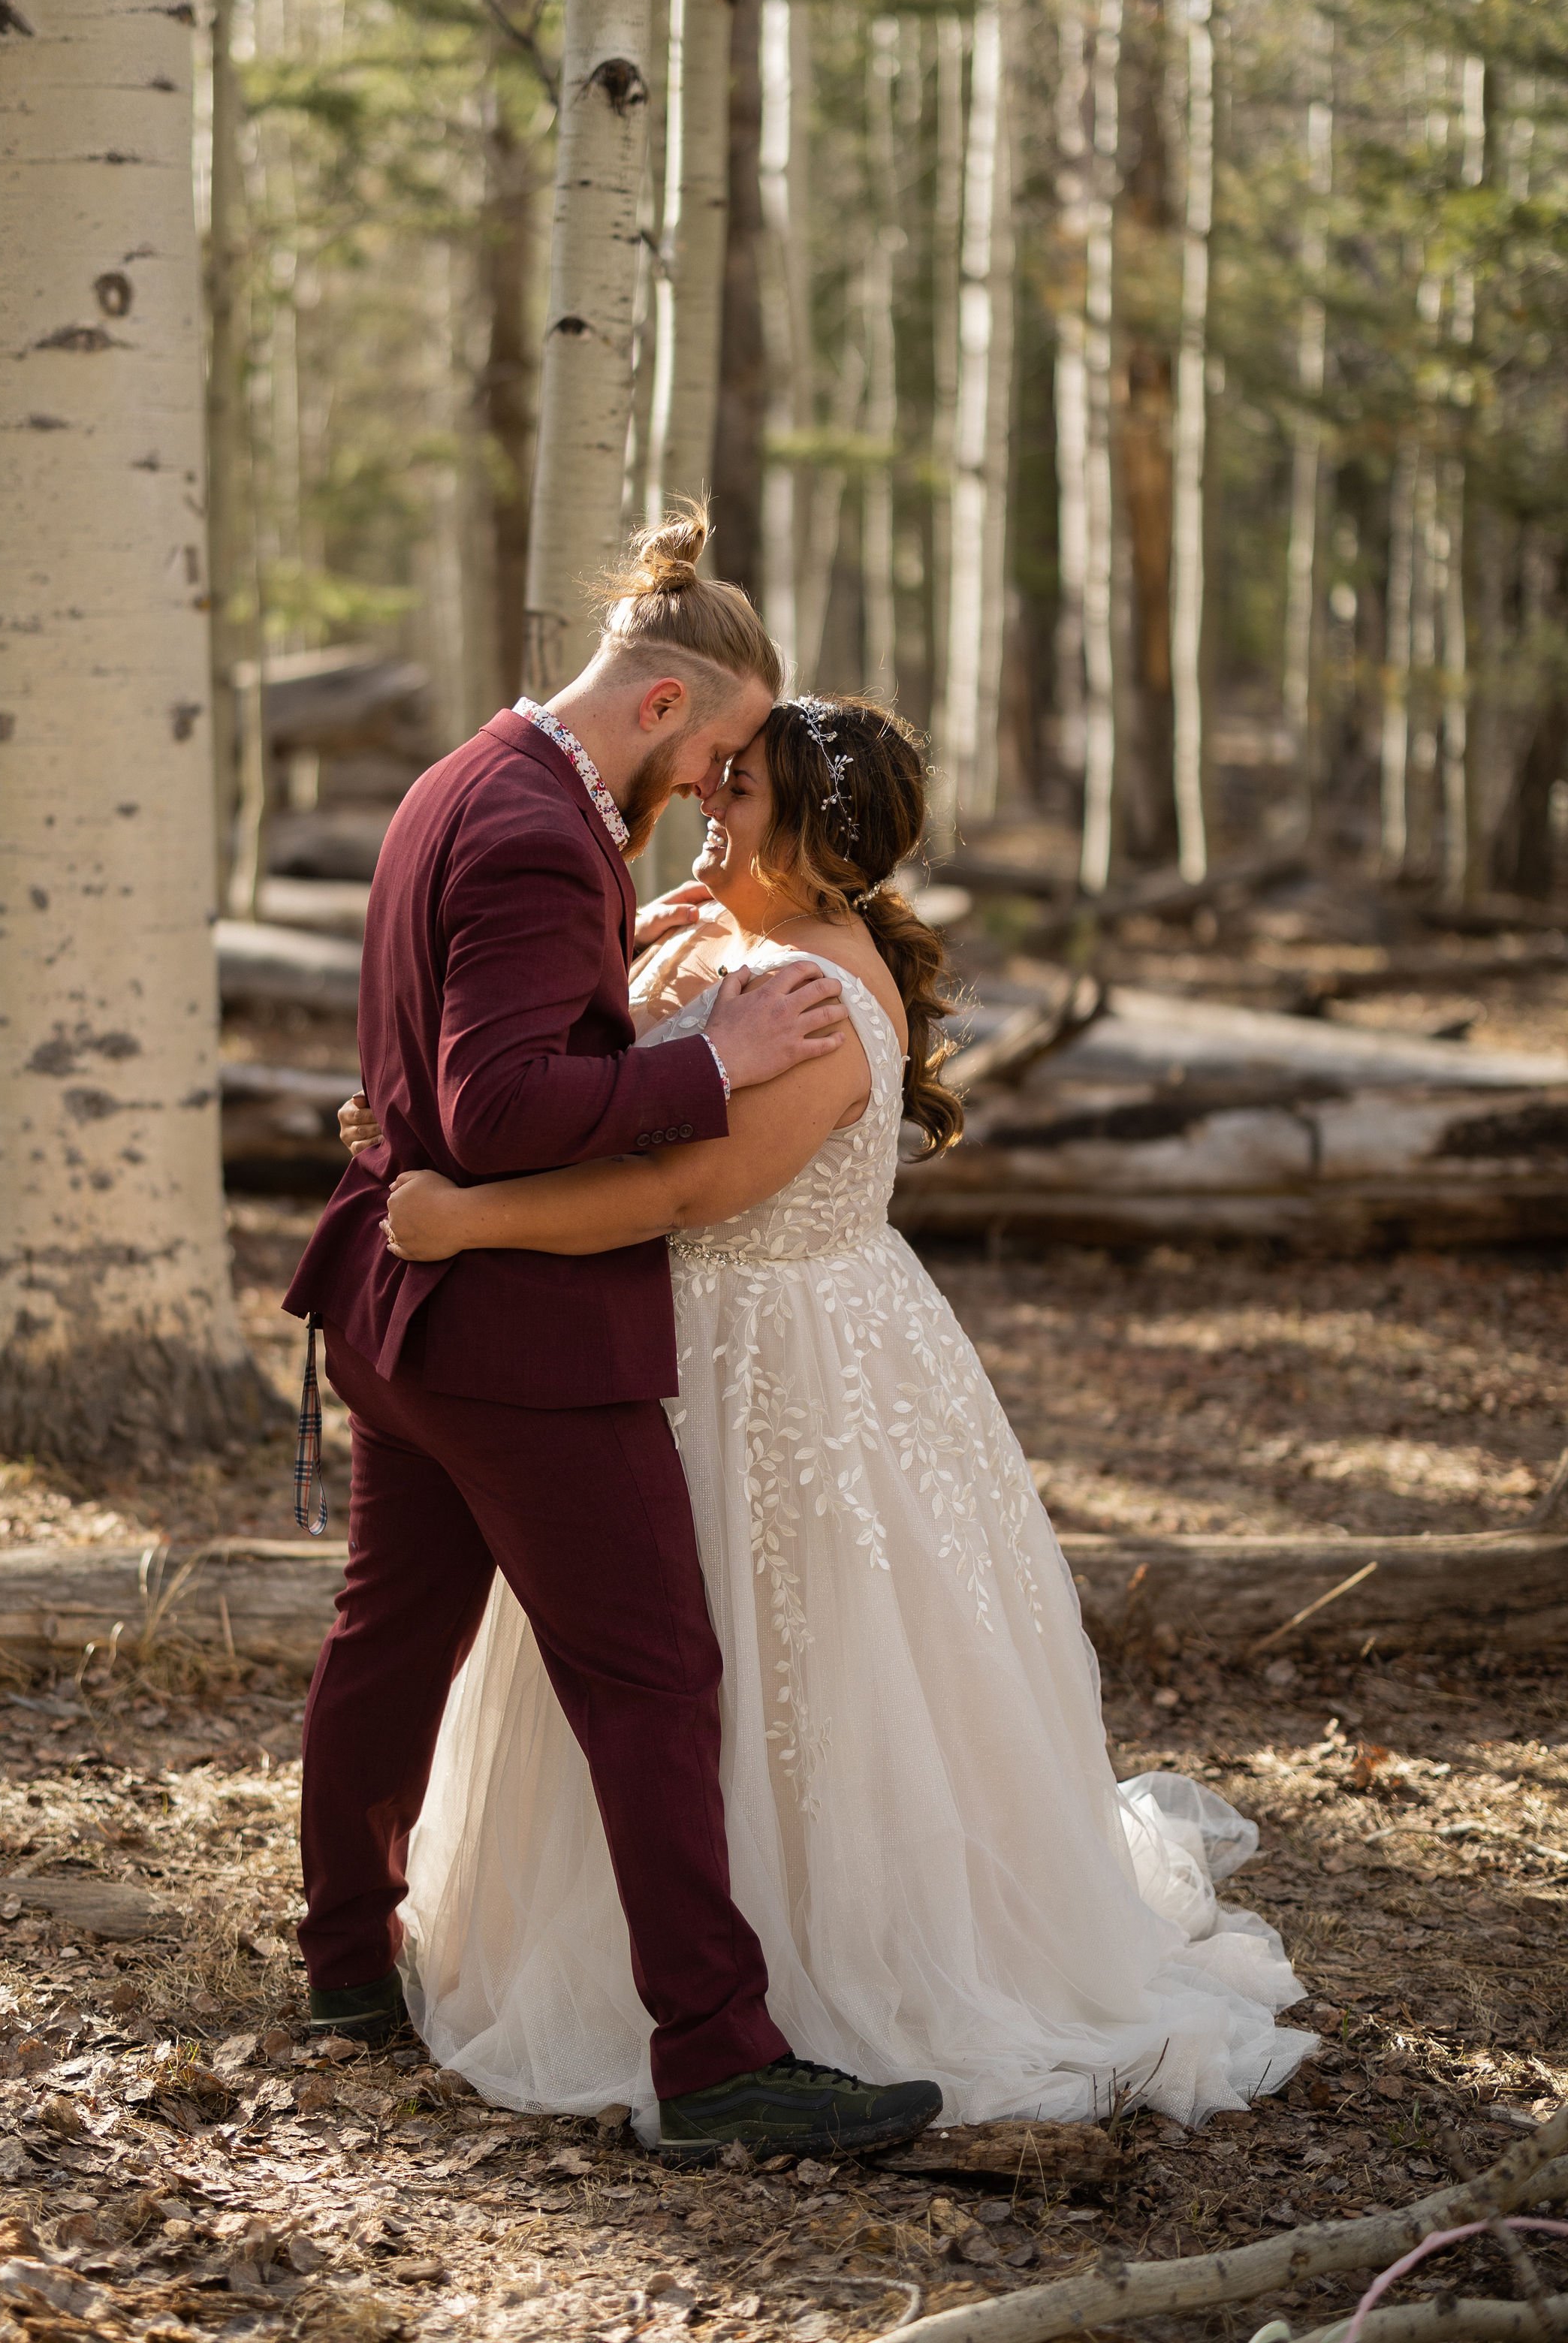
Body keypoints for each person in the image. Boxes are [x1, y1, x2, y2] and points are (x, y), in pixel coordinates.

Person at [371, 694, 1319, 2139]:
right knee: (651, 1659)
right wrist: (657, 939)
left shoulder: (817, 995)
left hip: (783, 1353)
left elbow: (686, 1192)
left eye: (736, 791)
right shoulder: (725, 935)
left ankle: (815, 1988)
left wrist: (460, 1223)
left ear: (811, 838)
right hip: (675, 1340)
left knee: (787, 1661)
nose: (705, 803)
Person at [282, 512, 945, 2164]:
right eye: (718, 753)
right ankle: (721, 2060)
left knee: (389, 1640)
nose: (712, 792)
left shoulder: (464, 778)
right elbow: (504, 1110)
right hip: (516, 1341)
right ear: (665, 711)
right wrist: (710, 1058)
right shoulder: (533, 835)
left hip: (402, 1310)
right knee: (654, 1675)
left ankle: (348, 1968)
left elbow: (452, 1065)